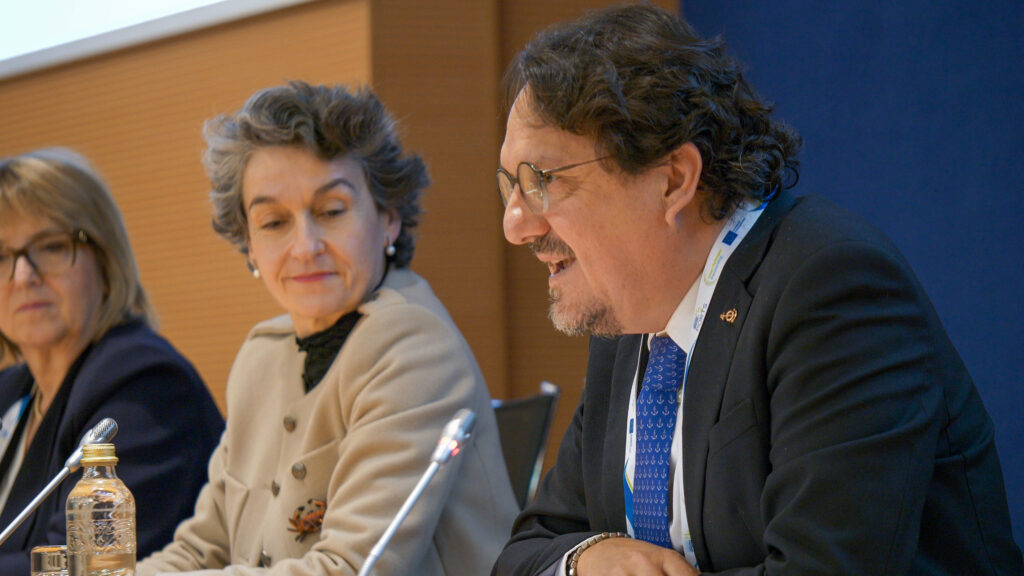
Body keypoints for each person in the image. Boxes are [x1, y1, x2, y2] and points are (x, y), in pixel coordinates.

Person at [491, 4, 1023, 576]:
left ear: (673, 180)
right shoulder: (627, 319)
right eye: (510, 185)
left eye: (541, 182)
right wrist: (585, 559)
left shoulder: (830, 289)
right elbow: (526, 552)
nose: (515, 224)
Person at [137, 81, 518, 576]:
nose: (305, 247)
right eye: (273, 222)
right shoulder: (261, 355)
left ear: (389, 219)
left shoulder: (412, 344)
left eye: (331, 211)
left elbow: (351, 568)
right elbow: (200, 550)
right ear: (248, 244)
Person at [0, 148, 224, 572]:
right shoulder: (10, 392)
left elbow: (82, 564)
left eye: (51, 247)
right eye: (1, 257)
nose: (23, 276)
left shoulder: (146, 384)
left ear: (105, 261)